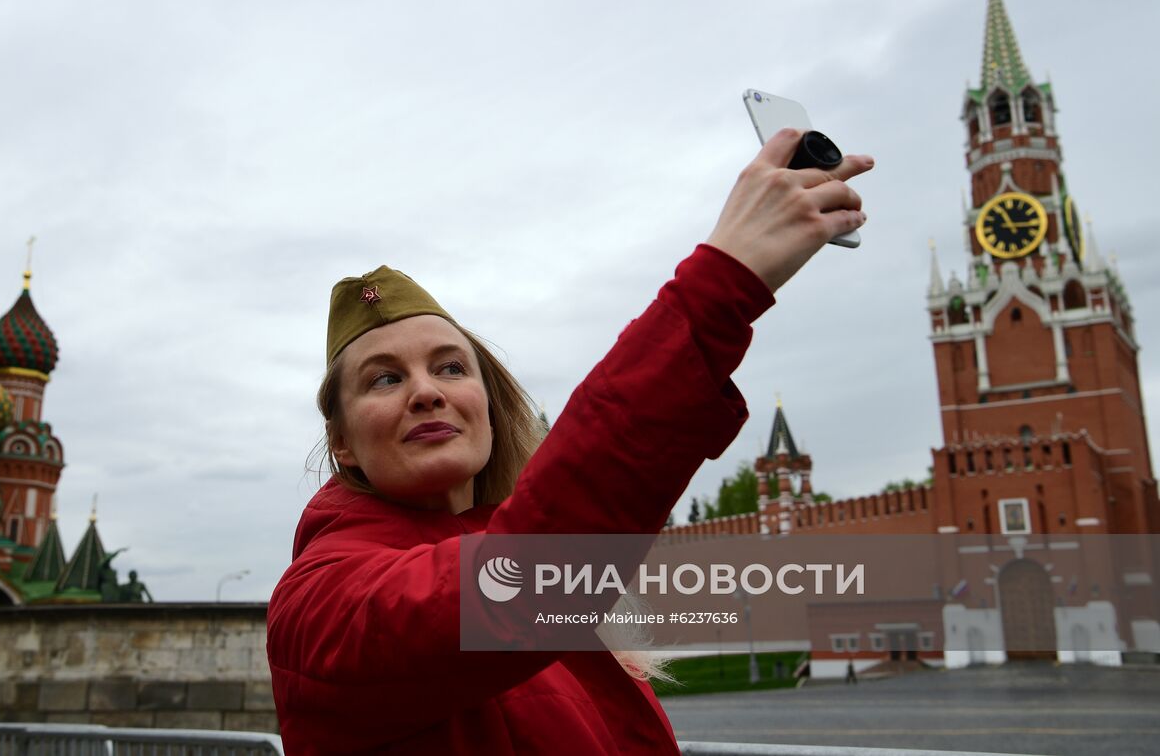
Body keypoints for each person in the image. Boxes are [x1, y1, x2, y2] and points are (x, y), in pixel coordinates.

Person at [268, 128, 873, 754]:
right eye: (385, 379)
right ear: (341, 443)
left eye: (450, 367)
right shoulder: (320, 599)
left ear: (490, 406)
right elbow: (518, 579)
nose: (426, 391)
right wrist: (723, 285)